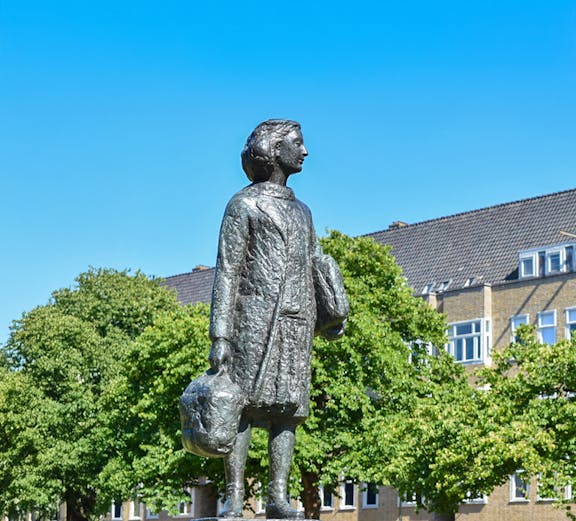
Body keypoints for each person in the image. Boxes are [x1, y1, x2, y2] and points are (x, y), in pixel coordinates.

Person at [209, 119, 347, 519]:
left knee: (288, 408)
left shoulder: (303, 211)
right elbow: (228, 270)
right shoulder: (243, 204)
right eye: (297, 144)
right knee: (242, 404)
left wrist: (332, 307)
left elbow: (315, 262)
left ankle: (277, 496)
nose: (305, 151)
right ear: (273, 149)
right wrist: (220, 335)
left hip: (297, 317)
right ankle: (235, 498)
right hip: (251, 319)